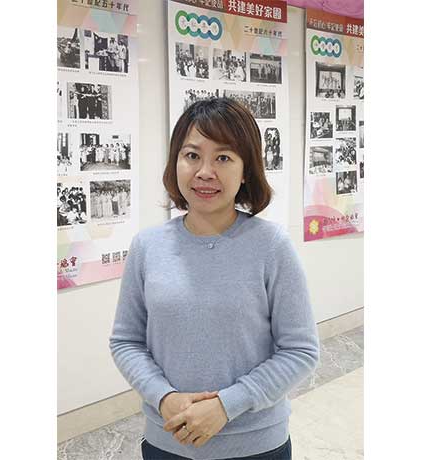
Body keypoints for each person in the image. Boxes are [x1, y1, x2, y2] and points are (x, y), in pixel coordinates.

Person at [109, 98, 319, 460]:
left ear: (246, 170)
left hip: (255, 446)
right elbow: (126, 341)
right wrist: (164, 397)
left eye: (223, 158)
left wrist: (226, 405)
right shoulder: (147, 246)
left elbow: (300, 351)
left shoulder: (272, 246)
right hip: (167, 441)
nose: (205, 172)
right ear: (175, 162)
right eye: (192, 155)